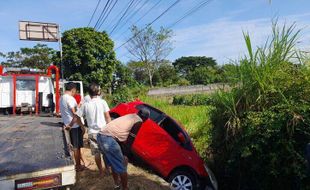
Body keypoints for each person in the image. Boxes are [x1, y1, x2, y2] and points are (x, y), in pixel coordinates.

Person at [97, 108, 150, 190]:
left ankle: (117, 185)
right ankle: (125, 188)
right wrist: (126, 155)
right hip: (109, 139)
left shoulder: (131, 116)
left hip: (100, 136)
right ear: (145, 119)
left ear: (138, 112)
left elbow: (119, 135)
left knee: (114, 164)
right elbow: (130, 139)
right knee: (121, 166)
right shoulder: (139, 121)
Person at [68, 83, 111, 175]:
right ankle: (108, 169)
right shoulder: (103, 102)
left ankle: (100, 171)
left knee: (96, 153)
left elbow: (76, 116)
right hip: (104, 131)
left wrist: (70, 125)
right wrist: (111, 128)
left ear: (89, 93)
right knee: (106, 152)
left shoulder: (85, 105)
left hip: (92, 133)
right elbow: (107, 117)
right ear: (98, 92)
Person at [59, 82, 85, 171]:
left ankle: (79, 163)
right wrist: (82, 126)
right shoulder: (70, 99)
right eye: (75, 91)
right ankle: (78, 166)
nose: (75, 93)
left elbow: (69, 112)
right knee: (76, 147)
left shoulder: (61, 98)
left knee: (74, 146)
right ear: (73, 89)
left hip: (68, 125)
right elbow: (75, 114)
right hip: (74, 126)